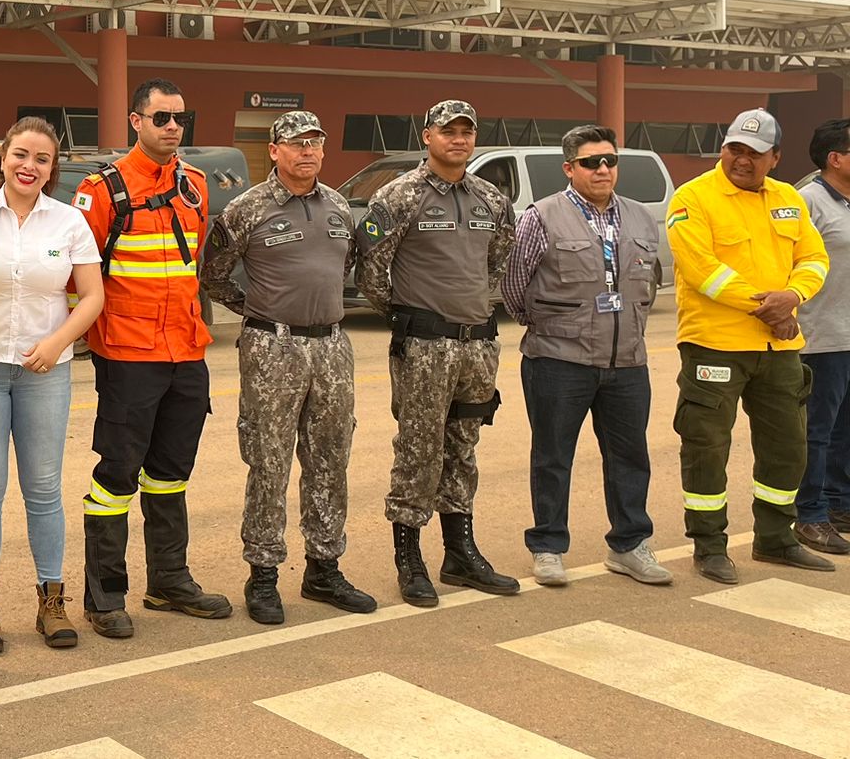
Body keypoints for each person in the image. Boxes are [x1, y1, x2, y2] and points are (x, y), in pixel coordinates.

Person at [198, 111, 376, 624]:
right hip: (273, 349)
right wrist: (258, 312)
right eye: (297, 143)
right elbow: (213, 274)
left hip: (333, 347)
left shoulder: (339, 206)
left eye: (316, 143)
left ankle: (323, 568)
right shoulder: (246, 209)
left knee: (329, 461)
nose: (308, 152)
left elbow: (344, 266)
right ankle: (264, 574)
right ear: (274, 150)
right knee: (269, 462)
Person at [72, 78, 230, 639]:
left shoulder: (195, 185)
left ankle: (168, 580)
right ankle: (104, 596)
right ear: (134, 121)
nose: (171, 127)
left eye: (179, 118)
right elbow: (77, 273)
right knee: (116, 477)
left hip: (185, 352)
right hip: (128, 355)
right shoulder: (102, 189)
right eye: (160, 117)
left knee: (169, 475)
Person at [0, 117, 105, 653]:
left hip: (45, 371)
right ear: (2, 157)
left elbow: (92, 297)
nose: (28, 166)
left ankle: (51, 601)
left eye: (40, 158)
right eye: (19, 154)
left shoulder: (68, 223)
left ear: (51, 167)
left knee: (43, 489)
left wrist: (59, 343)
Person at [355, 99, 519, 608]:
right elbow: (371, 273)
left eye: (467, 131)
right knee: (419, 450)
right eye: (449, 131)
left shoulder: (491, 198)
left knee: (463, 448)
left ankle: (460, 552)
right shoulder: (398, 196)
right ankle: (410, 559)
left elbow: (498, 263)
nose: (459, 140)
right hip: (425, 346)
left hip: (478, 345)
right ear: (428, 136)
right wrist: (413, 318)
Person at [667, 109, 836, 582]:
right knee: (707, 446)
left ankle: (777, 539)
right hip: (715, 346)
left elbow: (814, 258)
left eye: (755, 154)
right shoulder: (693, 197)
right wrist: (770, 308)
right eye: (735, 149)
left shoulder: (788, 199)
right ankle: (709, 545)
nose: (743, 160)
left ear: (775, 158)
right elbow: (701, 270)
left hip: (779, 350)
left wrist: (794, 297)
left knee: (788, 446)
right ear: (723, 149)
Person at [500, 125, 672, 588]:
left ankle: (630, 545)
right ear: (569, 168)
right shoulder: (541, 216)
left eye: (610, 161)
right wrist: (552, 325)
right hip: (559, 360)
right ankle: (548, 546)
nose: (603, 169)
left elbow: (644, 288)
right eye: (592, 162)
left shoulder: (638, 217)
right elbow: (514, 285)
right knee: (553, 456)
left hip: (628, 361)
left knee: (630, 456)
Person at [796, 118, 850, 554]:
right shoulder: (806, 202)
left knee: (846, 430)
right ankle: (809, 514)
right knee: (816, 432)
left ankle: (840, 504)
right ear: (835, 158)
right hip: (820, 338)